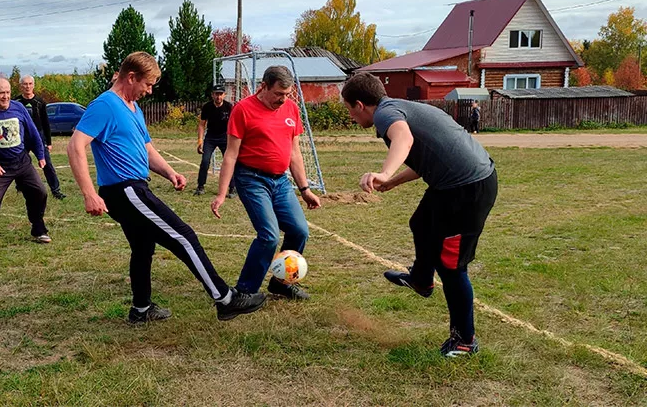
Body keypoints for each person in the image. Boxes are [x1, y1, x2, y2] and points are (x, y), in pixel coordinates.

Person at [67, 52, 266, 323]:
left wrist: (170, 173)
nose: (149, 91)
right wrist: (89, 194)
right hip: (124, 191)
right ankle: (226, 299)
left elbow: (147, 149)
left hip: (134, 187)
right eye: (147, 85)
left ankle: (141, 310)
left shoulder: (133, 109)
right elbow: (75, 145)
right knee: (184, 236)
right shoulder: (104, 106)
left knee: (143, 246)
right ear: (131, 77)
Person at [341, 73, 497, 357]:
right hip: (453, 184)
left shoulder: (386, 115)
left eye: (349, 110)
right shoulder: (401, 107)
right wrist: (392, 182)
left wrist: (384, 171)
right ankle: (421, 280)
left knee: (451, 266)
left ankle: (465, 339)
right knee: (421, 222)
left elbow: (404, 138)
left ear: (360, 104)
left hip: (469, 189)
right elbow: (428, 157)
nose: (350, 116)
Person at [211, 66, 321, 300]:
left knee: (299, 231)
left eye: (287, 94)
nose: (283, 100)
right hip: (251, 179)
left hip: (281, 181)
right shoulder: (243, 110)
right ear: (264, 86)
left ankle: (281, 283)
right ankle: (245, 291)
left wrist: (305, 190)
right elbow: (230, 154)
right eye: (278, 94)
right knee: (269, 236)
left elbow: (295, 153)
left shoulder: (291, 109)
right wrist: (221, 194)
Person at [0, 78, 50, 251]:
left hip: (22, 161)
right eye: (1, 93)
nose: (5, 97)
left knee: (40, 193)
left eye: (8, 92)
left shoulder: (18, 108)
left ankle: (38, 228)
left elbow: (33, 132)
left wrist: (40, 155)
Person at [15, 75, 66, 199]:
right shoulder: (16, 102)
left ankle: (56, 190)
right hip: (22, 137)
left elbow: (45, 122)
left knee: (47, 164)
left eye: (30, 84)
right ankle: (20, 187)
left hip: (38, 136)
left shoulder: (40, 102)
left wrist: (48, 142)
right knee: (19, 163)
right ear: (21, 86)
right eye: (25, 84)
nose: (27, 86)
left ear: (33, 85)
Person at [194, 84, 235, 198]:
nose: (218, 97)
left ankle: (232, 188)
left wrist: (233, 140)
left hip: (225, 138)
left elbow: (233, 124)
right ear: (212, 95)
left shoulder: (229, 107)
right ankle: (200, 186)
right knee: (205, 161)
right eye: (216, 94)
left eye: (221, 94)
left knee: (229, 162)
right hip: (211, 137)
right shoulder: (207, 107)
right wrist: (200, 141)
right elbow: (202, 125)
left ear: (224, 95)